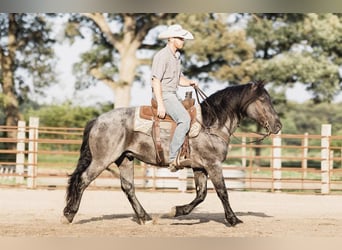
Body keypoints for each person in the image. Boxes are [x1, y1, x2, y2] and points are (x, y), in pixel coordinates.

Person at [151, 24, 198, 172]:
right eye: (179, 38)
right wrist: (160, 103)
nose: (182, 40)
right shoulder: (162, 56)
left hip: (173, 94)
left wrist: (189, 82)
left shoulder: (177, 57)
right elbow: (155, 80)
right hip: (164, 95)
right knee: (184, 119)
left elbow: (179, 79)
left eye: (183, 38)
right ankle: (173, 158)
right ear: (171, 39)